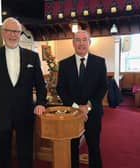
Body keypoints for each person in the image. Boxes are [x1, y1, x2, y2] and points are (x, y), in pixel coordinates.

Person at [0, 17, 47, 168]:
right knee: (2, 154)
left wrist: (41, 103)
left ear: (20, 33)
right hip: (0, 114)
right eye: (9, 31)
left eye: (16, 31)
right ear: (3, 33)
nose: (13, 35)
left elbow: (41, 85)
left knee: (25, 153)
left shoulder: (32, 57)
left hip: (25, 113)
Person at [56, 30, 107, 168]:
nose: (81, 43)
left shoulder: (99, 62)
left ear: (89, 43)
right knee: (72, 148)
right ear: (73, 43)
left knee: (94, 148)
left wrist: (88, 106)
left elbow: (103, 87)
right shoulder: (64, 64)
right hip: (72, 114)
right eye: (77, 40)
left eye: (84, 40)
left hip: (93, 113)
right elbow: (61, 88)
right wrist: (77, 107)